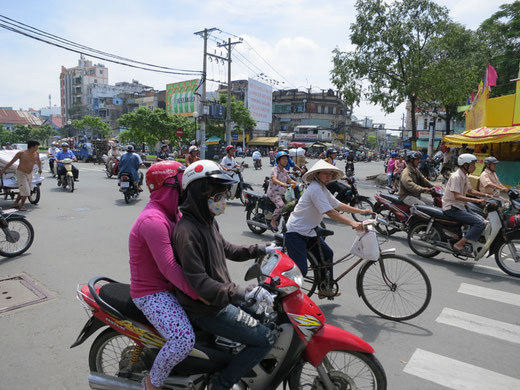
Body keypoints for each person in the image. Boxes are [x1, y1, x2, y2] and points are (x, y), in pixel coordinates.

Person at [172, 159, 276, 390]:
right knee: (264, 340)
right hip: (207, 308)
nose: (222, 198)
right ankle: (221, 384)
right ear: (199, 192)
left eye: (222, 191)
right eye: (216, 192)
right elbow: (199, 283)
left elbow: (226, 248)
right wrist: (242, 291)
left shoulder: (207, 222)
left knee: (271, 318)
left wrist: (260, 249)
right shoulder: (187, 232)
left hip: (221, 298)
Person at [130, 161, 201, 390]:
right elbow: (169, 267)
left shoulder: (172, 215)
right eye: (182, 185)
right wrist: (198, 293)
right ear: (167, 186)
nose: (185, 191)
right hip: (152, 293)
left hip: (169, 288)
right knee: (182, 340)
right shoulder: (153, 221)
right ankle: (152, 383)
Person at [284, 160, 368, 298]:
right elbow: (330, 212)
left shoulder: (323, 188)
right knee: (301, 270)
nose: (328, 177)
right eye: (325, 174)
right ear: (317, 174)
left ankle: (324, 288)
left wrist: (361, 212)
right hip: (296, 232)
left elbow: (338, 205)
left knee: (327, 254)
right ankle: (284, 296)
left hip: (310, 230)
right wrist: (352, 223)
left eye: (331, 174)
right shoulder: (315, 189)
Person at [443, 154, 492, 255]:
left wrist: (486, 195)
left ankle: (470, 239)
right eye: (473, 165)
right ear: (465, 165)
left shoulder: (464, 176)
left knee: (484, 220)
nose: (474, 167)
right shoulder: (456, 177)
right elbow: (457, 197)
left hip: (461, 206)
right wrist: (477, 201)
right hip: (452, 208)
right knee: (479, 223)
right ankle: (459, 244)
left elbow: (471, 191)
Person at [0, 140, 42, 211]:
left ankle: (16, 203)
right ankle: (22, 205)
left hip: (30, 173)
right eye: (37, 146)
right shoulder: (21, 153)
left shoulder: (36, 153)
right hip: (21, 173)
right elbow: (11, 162)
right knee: (26, 190)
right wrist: (3, 170)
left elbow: (38, 161)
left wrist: (40, 169)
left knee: (24, 189)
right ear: (32, 146)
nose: (37, 148)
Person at [267, 151, 298, 231]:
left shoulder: (284, 171)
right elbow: (274, 179)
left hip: (283, 193)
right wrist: (282, 183)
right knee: (281, 205)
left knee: (291, 205)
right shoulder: (275, 169)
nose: (286, 161)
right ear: (278, 160)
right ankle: (273, 221)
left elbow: (290, 180)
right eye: (283, 159)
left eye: (286, 159)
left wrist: (299, 184)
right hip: (274, 192)